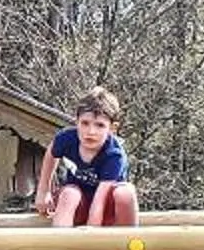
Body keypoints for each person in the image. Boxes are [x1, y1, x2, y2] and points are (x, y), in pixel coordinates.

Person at [33, 85, 139, 229]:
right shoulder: (67, 139)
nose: (91, 131)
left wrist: (91, 233)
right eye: (85, 123)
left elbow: (100, 200)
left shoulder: (114, 155)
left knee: (125, 192)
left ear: (112, 129)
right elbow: (52, 153)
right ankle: (60, 246)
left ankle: (126, 243)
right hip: (78, 205)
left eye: (100, 125)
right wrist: (43, 191)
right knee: (69, 194)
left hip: (107, 209)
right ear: (77, 122)